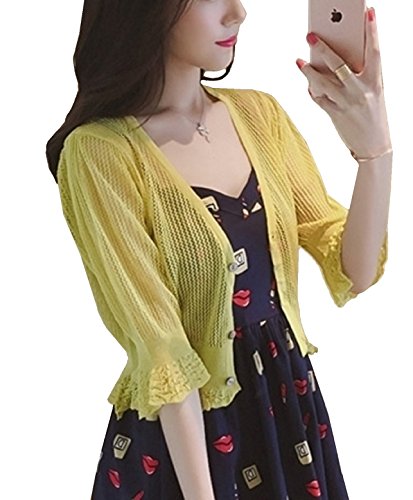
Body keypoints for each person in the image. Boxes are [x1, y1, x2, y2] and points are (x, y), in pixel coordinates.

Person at [45, 1, 392, 499]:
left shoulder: (260, 115)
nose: (238, 12)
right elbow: (163, 348)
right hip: (184, 448)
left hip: (284, 412)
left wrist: (375, 152)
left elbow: (353, 269)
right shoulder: (100, 154)